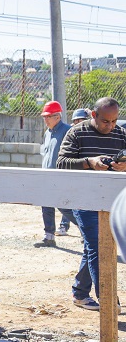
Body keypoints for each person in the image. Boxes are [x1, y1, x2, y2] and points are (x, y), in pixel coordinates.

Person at [56, 97, 126, 311]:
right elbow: (61, 163)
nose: (111, 126)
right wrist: (89, 162)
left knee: (93, 246)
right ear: (94, 115)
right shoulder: (77, 132)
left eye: (115, 121)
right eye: (106, 121)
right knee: (98, 245)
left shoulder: (121, 134)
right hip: (82, 198)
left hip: (112, 200)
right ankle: (107, 300)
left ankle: (79, 292)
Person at [34, 101, 77, 247]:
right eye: (44, 117)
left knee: (65, 206)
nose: (45, 120)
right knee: (46, 205)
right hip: (47, 175)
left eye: (48, 117)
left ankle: (87, 230)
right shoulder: (47, 132)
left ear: (57, 117)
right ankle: (49, 236)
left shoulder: (67, 131)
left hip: (61, 176)